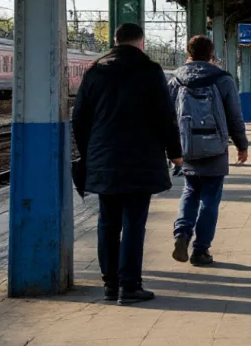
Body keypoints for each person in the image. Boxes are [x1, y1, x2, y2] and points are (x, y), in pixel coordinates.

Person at [72, 23, 182, 305]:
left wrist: (90, 153)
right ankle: (130, 286)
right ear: (141, 42)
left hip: (103, 157)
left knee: (107, 222)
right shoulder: (150, 70)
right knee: (134, 222)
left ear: (115, 40)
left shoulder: (95, 70)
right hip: (141, 158)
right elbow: (165, 115)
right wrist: (175, 152)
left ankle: (110, 284)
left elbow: (80, 116)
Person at [168, 36, 249, 266]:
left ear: (188, 52)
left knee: (190, 191)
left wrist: (170, 148)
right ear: (211, 53)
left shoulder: (176, 79)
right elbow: (234, 116)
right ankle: (200, 251)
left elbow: (166, 116)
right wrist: (242, 145)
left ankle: (182, 234)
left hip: (186, 147)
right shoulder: (222, 79)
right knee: (210, 199)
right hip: (215, 148)